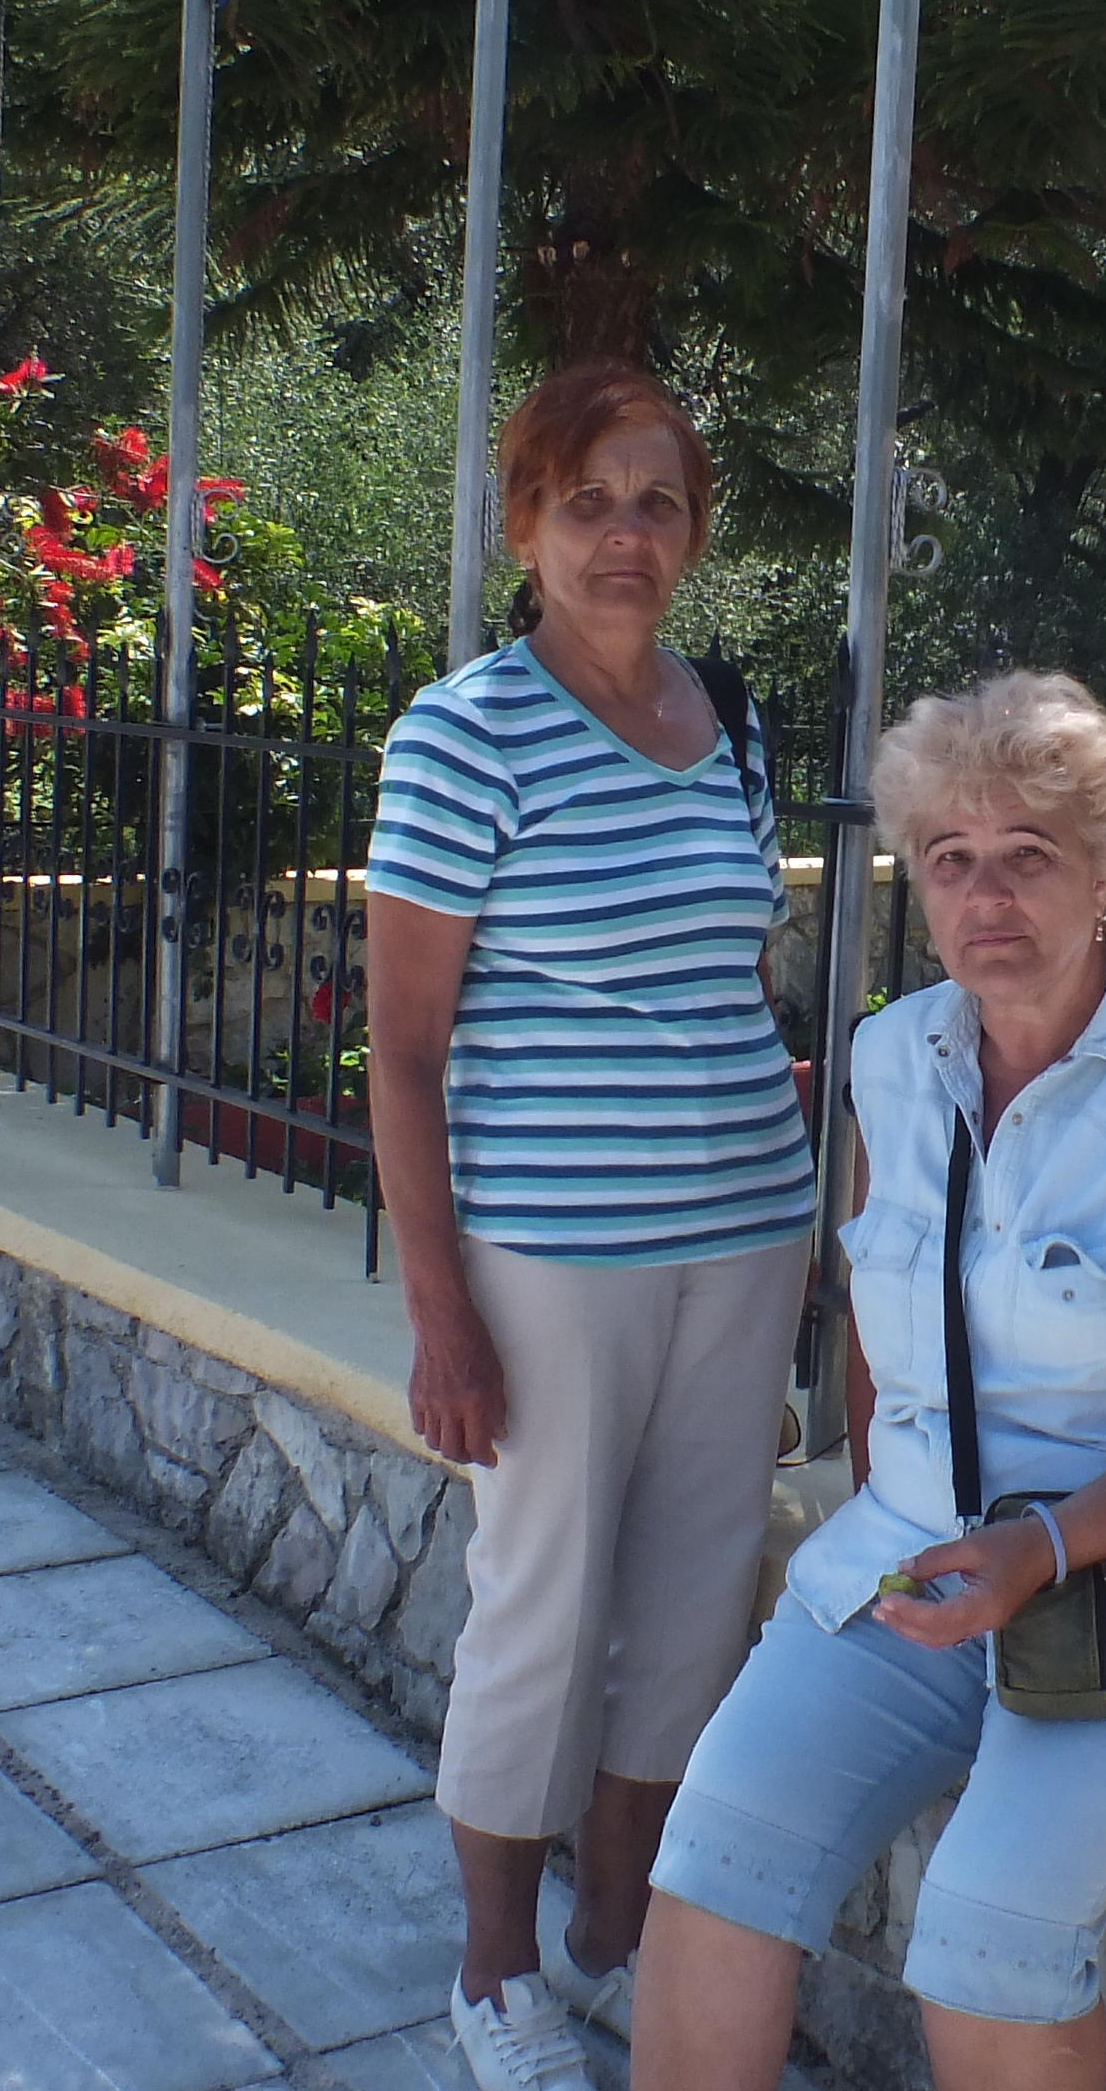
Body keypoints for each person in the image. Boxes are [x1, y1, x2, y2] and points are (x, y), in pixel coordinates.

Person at [630, 671, 1106, 2091]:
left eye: (1029, 855)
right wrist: (901, 1506)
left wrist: (1046, 1546)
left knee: (985, 1932)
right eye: (950, 859)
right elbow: (881, 1318)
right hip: (931, 1552)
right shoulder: (895, 1060)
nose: (986, 896)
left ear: (1104, 870)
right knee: (715, 1858)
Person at [365, 362, 816, 2091]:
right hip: (551, 1258)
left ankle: (616, 1938)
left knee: (697, 1601)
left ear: (693, 534)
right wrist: (443, 1315)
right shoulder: (463, 734)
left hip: (744, 1235)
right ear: (525, 525)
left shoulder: (729, 722)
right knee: (541, 1613)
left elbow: (733, 988)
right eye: (587, 502)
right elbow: (405, 1049)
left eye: (657, 503)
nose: (624, 536)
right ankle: (493, 1975)